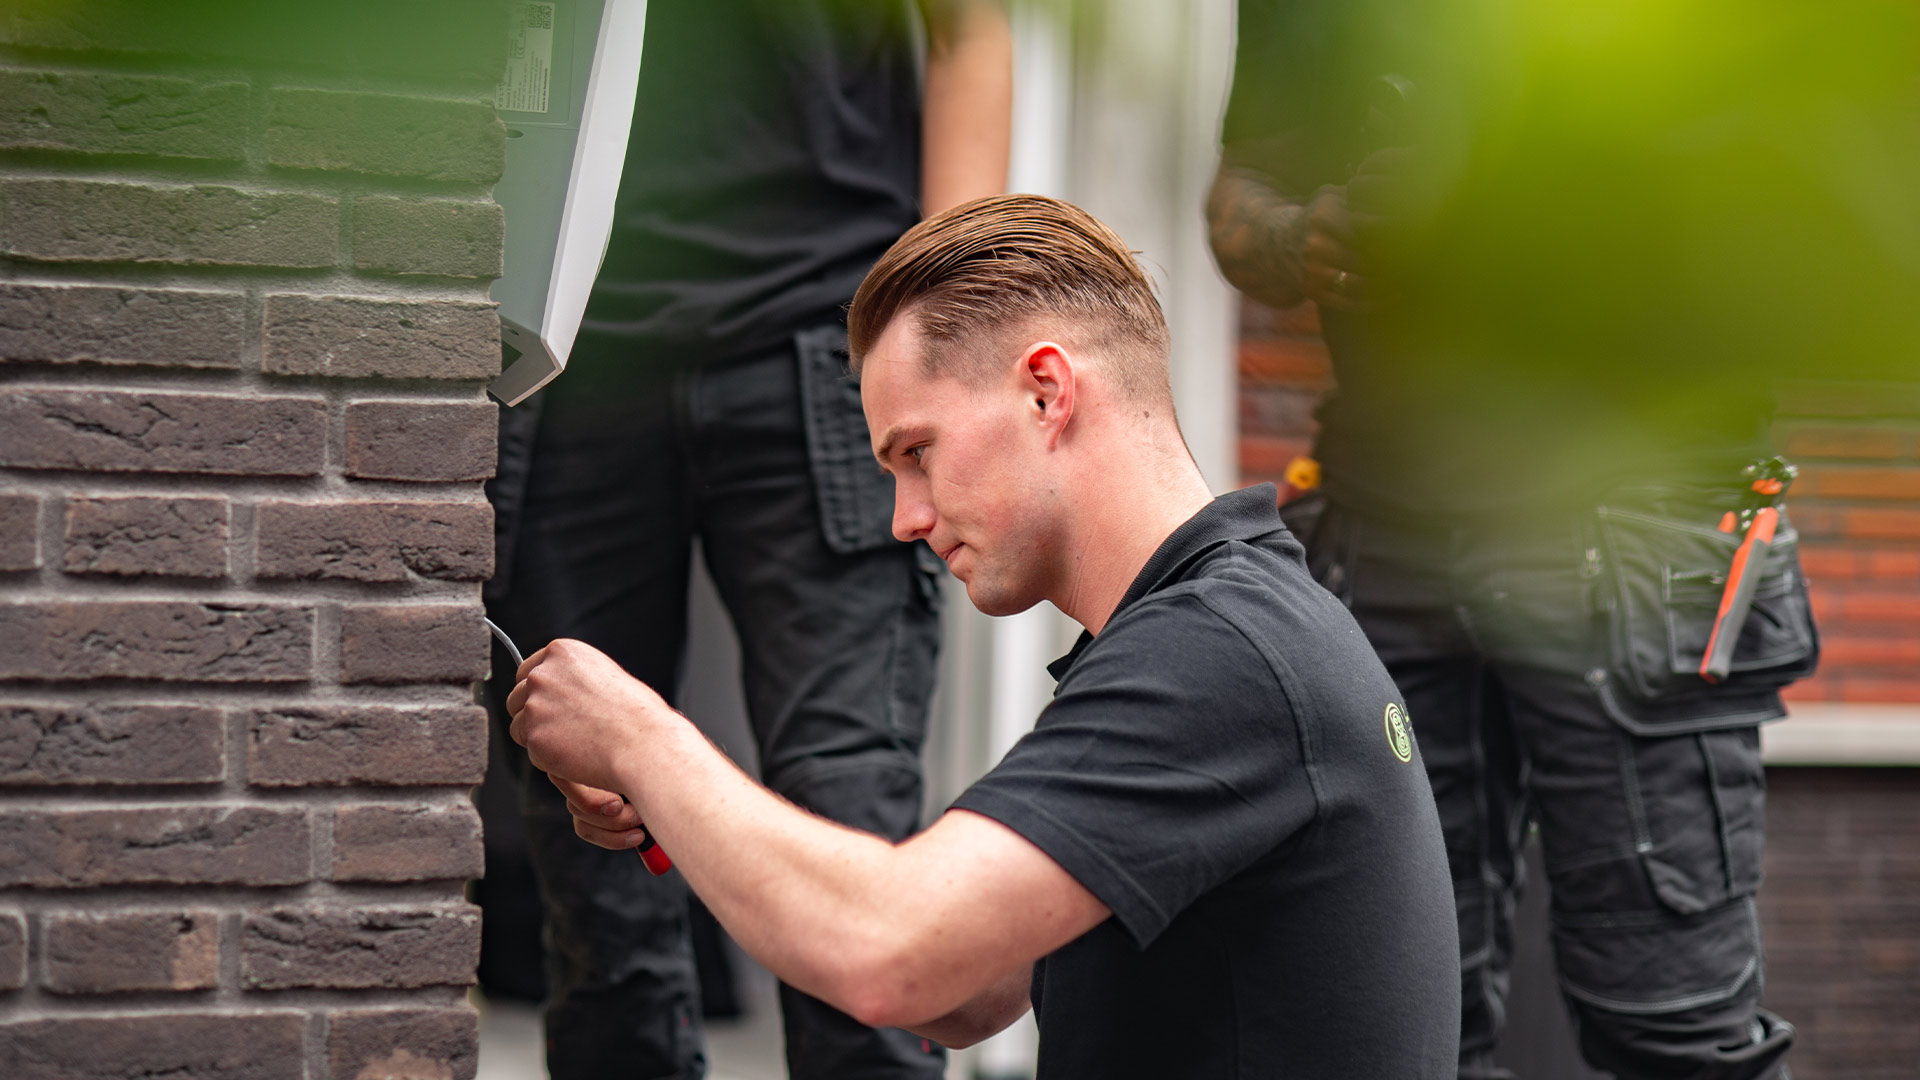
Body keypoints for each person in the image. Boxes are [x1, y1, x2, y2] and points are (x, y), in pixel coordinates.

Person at [505, 194, 1462, 1080]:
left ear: (1047, 391)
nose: (904, 519)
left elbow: (896, 960)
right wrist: (676, 805)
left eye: (915, 452)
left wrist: (642, 736)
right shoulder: (1210, 626)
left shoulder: (1217, 653)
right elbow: (970, 993)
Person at [1207, 3, 1822, 1077]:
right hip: (1378, 520)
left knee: (1675, 1030)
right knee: (1392, 1027)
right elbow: (1235, 195)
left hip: (1633, 523)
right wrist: (1304, 237)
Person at [482, 3, 1011, 1077]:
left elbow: (971, 28)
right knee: (597, 863)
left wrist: (941, 336)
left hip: (827, 336)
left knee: (849, 821)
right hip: (574, 350)